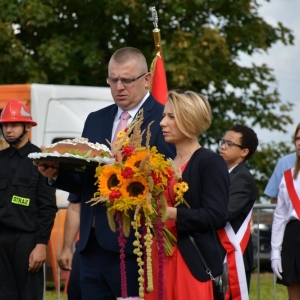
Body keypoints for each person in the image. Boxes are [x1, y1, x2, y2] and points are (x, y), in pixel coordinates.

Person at [36, 47, 176, 300]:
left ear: (146, 80)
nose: (119, 87)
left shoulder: (165, 120)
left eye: (127, 80)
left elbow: (170, 180)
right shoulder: (96, 119)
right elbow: (85, 183)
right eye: (113, 80)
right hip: (91, 247)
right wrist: (56, 174)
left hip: (136, 248)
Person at [146, 90, 230, 300]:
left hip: (190, 261)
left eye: (171, 117)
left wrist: (172, 213)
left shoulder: (210, 161)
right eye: (165, 116)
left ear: (189, 120)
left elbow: (217, 216)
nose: (163, 123)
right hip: (159, 259)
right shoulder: (164, 163)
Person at [0, 98, 57, 300]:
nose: (8, 130)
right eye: (5, 125)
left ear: (26, 126)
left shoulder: (41, 159)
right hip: (1, 239)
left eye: (14, 124)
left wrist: (41, 245)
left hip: (27, 241)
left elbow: (48, 207)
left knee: (29, 296)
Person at [218, 124, 258, 297]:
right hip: (219, 252)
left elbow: (224, 214)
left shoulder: (242, 178)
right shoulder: (222, 172)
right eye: (223, 141)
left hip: (234, 253)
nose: (223, 146)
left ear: (244, 152)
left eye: (230, 143)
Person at [271, 123, 300, 300]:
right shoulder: (288, 176)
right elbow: (280, 217)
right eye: (298, 139)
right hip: (294, 237)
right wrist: (275, 252)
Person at [58, 193, 81, 300]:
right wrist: (67, 248)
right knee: (76, 292)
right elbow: (75, 206)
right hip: (88, 246)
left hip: (126, 248)